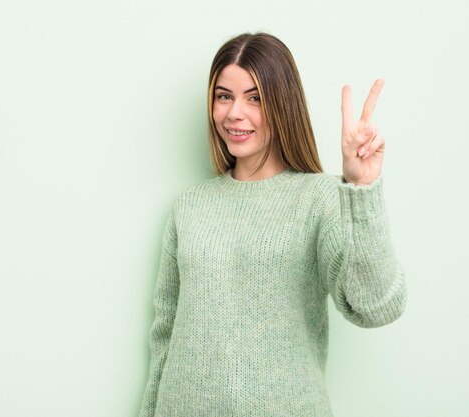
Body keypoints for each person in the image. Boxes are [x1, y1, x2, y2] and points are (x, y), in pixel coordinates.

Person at [138, 32, 407, 417]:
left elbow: (376, 307)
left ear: (283, 105)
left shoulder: (320, 198)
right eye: (223, 95)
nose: (234, 113)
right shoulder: (190, 205)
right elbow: (165, 335)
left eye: (255, 98)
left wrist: (362, 188)